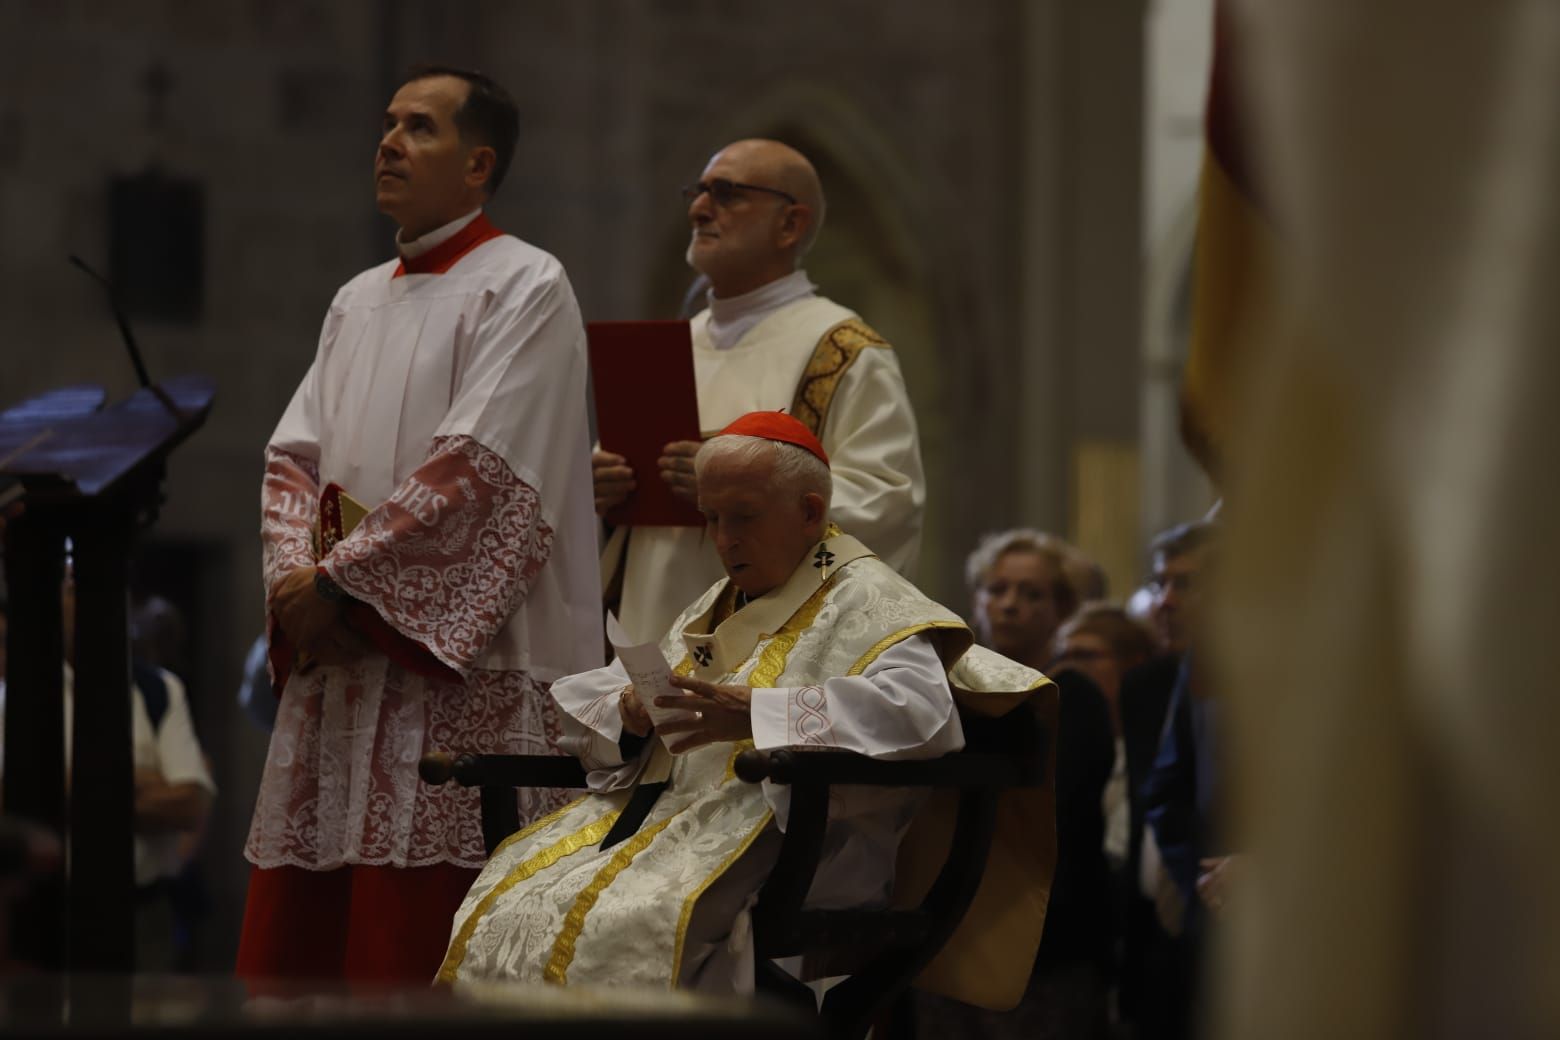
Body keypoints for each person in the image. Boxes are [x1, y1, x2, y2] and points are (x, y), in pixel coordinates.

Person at [439, 412, 1049, 996]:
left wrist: (759, 715)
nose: (723, 540)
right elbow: (604, 695)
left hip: (794, 840)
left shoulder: (875, 600)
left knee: (625, 920)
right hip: (664, 829)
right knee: (514, 897)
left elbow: (921, 715)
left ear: (811, 512)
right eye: (711, 517)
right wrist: (629, 709)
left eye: (743, 517)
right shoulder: (723, 599)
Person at [237, 64, 601, 984]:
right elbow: (294, 457)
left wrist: (335, 588)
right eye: (389, 124)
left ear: (479, 164)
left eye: (420, 129)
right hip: (346, 649)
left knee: (419, 940)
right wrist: (293, 579)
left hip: (453, 664)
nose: (389, 142)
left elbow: (483, 469)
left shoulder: (526, 283)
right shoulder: (355, 298)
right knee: (316, 942)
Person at [594, 138, 926, 644]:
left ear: (790, 224)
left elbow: (888, 505)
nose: (701, 208)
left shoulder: (843, 350)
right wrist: (596, 496)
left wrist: (740, 491)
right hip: (648, 635)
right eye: (699, 192)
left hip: (774, 659)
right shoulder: (665, 351)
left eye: (727, 193)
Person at [965, 528, 1082, 669]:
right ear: (976, 601)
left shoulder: (1073, 688)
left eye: (1032, 594)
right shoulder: (953, 680)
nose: (1009, 604)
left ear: (1062, 607)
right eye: (997, 590)